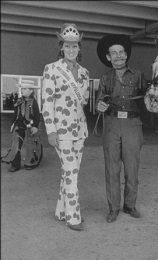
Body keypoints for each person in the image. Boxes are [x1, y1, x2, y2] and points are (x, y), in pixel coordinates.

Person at [41, 23, 90, 231]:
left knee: (71, 172)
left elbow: (84, 101)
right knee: (70, 172)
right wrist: (50, 130)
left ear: (79, 49)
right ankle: (73, 216)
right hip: (61, 131)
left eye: (75, 46)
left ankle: (61, 211)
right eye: (67, 46)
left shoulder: (85, 73)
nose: (71, 50)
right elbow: (46, 101)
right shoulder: (52, 69)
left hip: (80, 130)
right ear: (61, 47)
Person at [96, 34, 148, 223]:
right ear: (108, 57)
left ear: (126, 55)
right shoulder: (105, 78)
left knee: (132, 168)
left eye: (121, 52)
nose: (118, 56)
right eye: (113, 53)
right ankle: (113, 208)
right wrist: (100, 105)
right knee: (112, 168)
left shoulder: (139, 75)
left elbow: (147, 99)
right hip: (111, 124)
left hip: (133, 125)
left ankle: (130, 205)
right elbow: (100, 98)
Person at [1, 80, 43, 172]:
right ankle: (15, 164)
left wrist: (35, 126)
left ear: (31, 91)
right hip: (18, 126)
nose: (22, 90)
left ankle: (30, 162)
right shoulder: (19, 100)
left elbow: (36, 115)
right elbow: (15, 113)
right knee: (15, 144)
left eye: (25, 89)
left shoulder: (34, 102)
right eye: (22, 88)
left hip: (30, 127)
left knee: (31, 145)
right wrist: (13, 124)